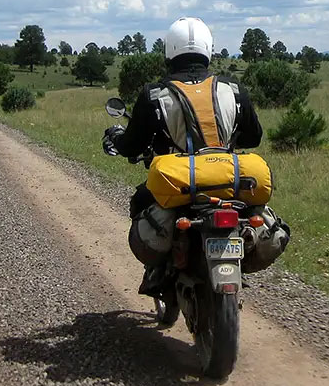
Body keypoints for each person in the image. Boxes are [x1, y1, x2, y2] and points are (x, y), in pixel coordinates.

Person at [103, 16, 264, 294]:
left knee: (142, 200)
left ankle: (156, 273)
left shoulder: (154, 94)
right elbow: (254, 137)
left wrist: (117, 137)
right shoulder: (234, 89)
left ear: (170, 50)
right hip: (227, 183)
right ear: (207, 48)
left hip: (179, 184)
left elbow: (131, 146)